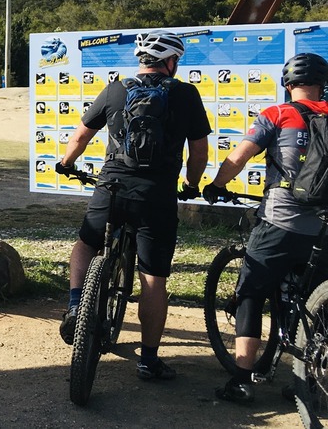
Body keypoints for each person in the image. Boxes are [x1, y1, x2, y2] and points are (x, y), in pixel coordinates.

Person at [55, 30, 210, 381]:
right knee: (153, 277)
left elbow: (80, 136)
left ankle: (77, 304)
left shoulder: (116, 89)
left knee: (87, 243)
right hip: (156, 195)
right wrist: (190, 183)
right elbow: (199, 152)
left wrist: (66, 164)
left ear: (142, 61)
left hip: (111, 186)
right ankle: (149, 360)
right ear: (170, 62)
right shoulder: (185, 94)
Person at [205, 52, 328, 403]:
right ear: (322, 84)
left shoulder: (278, 114)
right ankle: (312, 381)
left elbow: (239, 156)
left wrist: (216, 186)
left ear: (287, 83)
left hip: (281, 221)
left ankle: (241, 380)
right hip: (323, 228)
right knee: (317, 304)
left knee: (251, 294)